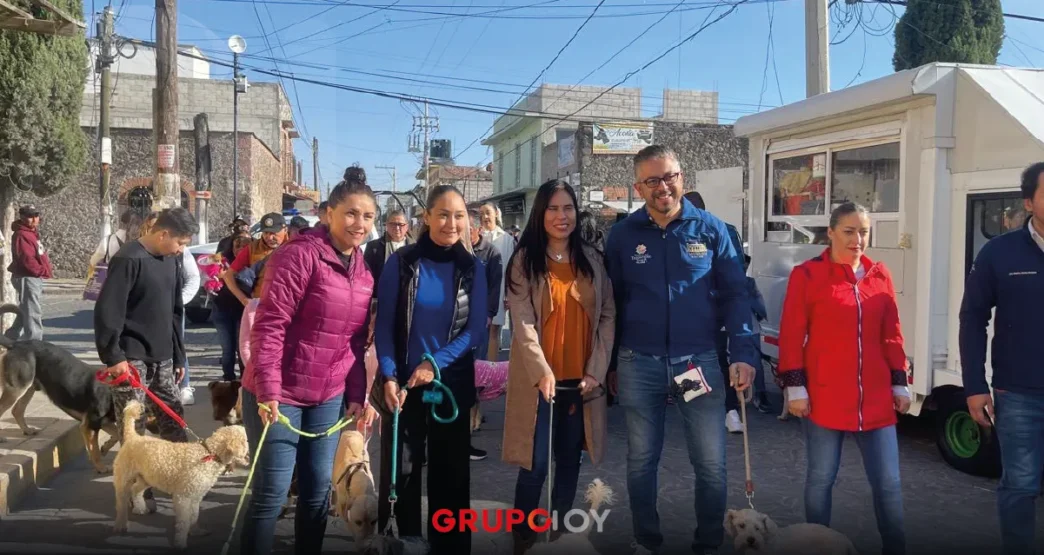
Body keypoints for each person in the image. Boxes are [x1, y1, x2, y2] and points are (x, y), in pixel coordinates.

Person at [603, 145, 756, 555]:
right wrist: (610, 362)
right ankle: (646, 542)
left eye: (669, 176)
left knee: (710, 463)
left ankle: (708, 543)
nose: (662, 187)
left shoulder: (711, 230)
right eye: (652, 180)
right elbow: (610, 303)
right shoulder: (621, 236)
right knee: (641, 461)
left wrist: (743, 352)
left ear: (682, 178)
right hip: (639, 364)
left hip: (697, 365)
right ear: (639, 187)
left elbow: (735, 296)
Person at [240, 181, 376, 555]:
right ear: (328, 213)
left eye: (367, 216)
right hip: (278, 395)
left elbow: (354, 339)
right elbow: (270, 325)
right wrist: (268, 389)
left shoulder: (363, 272)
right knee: (272, 494)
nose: (358, 223)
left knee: (318, 494)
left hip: (327, 397)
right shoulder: (298, 256)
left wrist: (354, 393)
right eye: (350, 213)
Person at [777, 201, 908, 555]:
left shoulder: (880, 274)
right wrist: (795, 387)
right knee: (821, 479)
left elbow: (892, 334)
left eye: (863, 231)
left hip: (876, 398)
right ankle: (816, 547)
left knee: (889, 484)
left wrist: (900, 381)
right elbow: (791, 334)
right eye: (849, 231)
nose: (857, 239)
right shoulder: (807, 275)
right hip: (823, 396)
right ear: (831, 232)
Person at [373, 184, 487, 555]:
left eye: (459, 215)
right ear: (426, 218)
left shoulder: (473, 268)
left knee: (451, 479)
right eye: (443, 214)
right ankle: (403, 545)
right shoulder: (402, 262)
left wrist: (433, 364)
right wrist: (390, 375)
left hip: (450, 387)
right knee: (402, 476)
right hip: (403, 388)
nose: (451, 223)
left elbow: (474, 332)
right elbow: (385, 327)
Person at [502, 180, 615, 555]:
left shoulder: (593, 259)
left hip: (580, 383)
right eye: (552, 209)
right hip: (540, 383)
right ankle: (522, 538)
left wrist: (596, 369)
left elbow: (607, 316)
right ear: (540, 213)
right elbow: (523, 323)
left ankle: (560, 537)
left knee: (569, 461)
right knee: (534, 465)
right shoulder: (524, 261)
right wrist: (542, 371)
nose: (561, 216)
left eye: (568, 208)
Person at [960, 162, 1044, 555]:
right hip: (1020, 394)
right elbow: (973, 318)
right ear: (1029, 202)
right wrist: (975, 386)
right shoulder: (999, 252)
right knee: (1021, 486)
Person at [95, 207, 199, 441]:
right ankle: (134, 477)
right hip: (131, 359)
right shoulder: (128, 258)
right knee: (134, 424)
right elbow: (108, 310)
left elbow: (175, 310)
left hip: (163, 357)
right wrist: (113, 356)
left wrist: (179, 355)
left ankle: (176, 472)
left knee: (173, 414)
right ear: (163, 234)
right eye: (180, 242)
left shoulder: (172, 260)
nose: (181, 249)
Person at [682, 190, 765, 426]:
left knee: (694, 362)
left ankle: (703, 413)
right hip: (719, 311)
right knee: (719, 359)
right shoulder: (725, 228)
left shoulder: (717, 230)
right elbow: (739, 271)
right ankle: (729, 412)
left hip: (702, 311)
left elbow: (734, 273)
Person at [215, 212, 286, 382]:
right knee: (252, 349)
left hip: (286, 309)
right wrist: (243, 299)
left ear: (284, 229)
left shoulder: (294, 246)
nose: (270, 237)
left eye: (274, 232)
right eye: (266, 233)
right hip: (260, 308)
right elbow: (229, 275)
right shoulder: (252, 248)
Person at [467, 208, 502, 462]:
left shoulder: (491, 252)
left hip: (478, 323)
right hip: (455, 325)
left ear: (478, 228)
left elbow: (493, 286)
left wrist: (488, 314)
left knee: (475, 375)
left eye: (469, 227)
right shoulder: (457, 252)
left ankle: (473, 419)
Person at [7, 204, 52, 341]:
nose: (34, 219)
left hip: (32, 276)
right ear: (22, 217)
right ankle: (34, 342)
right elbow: (27, 259)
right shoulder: (22, 234)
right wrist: (41, 270)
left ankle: (9, 338)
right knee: (32, 311)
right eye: (30, 216)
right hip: (27, 277)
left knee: (25, 310)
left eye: (36, 216)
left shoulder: (31, 233)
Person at [479, 202, 516, 361]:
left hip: (499, 290)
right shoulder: (476, 236)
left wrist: (508, 294)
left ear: (496, 213)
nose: (485, 217)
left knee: (494, 331)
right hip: (478, 291)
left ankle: (491, 375)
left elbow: (511, 268)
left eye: (487, 213)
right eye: (481, 215)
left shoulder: (506, 239)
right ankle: (477, 370)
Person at [363, 208, 414, 283]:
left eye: (400, 224)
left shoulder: (414, 247)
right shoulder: (374, 247)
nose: (397, 228)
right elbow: (366, 275)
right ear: (387, 225)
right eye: (393, 224)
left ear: (406, 226)